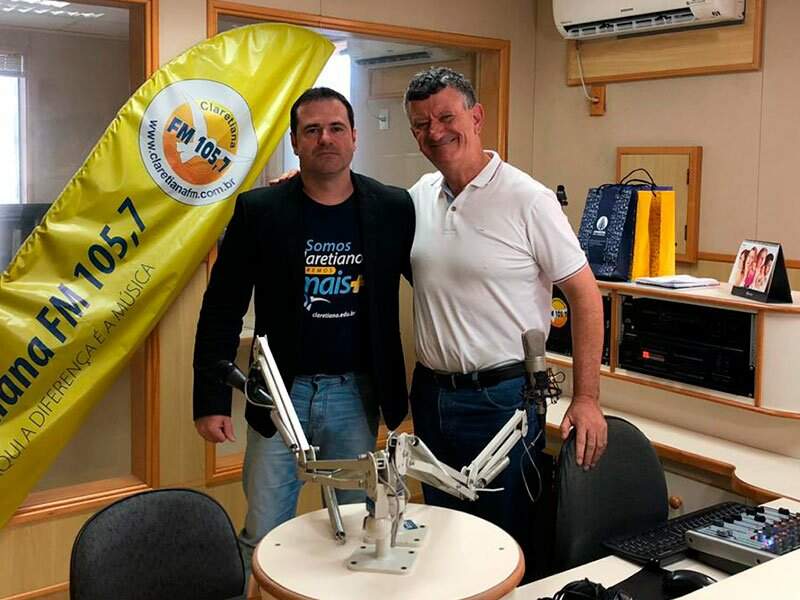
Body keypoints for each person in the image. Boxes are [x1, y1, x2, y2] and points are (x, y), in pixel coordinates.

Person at [192, 87, 415, 590]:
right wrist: (210, 400)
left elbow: (435, 281)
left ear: (354, 137)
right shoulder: (260, 210)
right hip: (280, 398)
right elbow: (222, 307)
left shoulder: (393, 207)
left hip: (355, 395)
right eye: (311, 130)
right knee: (264, 534)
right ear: (295, 142)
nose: (325, 139)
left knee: (364, 534)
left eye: (336, 128)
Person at [402, 67, 607, 560]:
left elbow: (585, 296)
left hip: (502, 401)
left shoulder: (528, 199)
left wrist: (587, 398)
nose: (435, 132)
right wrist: (301, 182)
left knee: (499, 545)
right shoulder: (417, 197)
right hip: (431, 396)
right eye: (421, 124)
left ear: (476, 117)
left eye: (446, 118)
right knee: (439, 535)